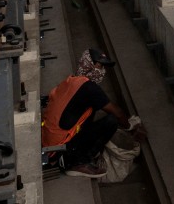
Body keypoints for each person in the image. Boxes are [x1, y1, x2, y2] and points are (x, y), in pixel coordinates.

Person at [42, 48, 145, 178]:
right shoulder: (90, 89)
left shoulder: (73, 80)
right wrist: (130, 126)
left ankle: (74, 156)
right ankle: (77, 162)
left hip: (49, 142)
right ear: (92, 65)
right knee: (111, 121)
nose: (102, 71)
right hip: (58, 149)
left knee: (92, 111)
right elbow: (117, 112)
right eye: (100, 66)